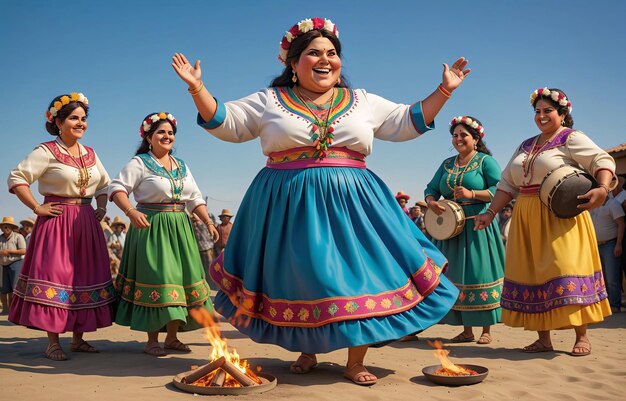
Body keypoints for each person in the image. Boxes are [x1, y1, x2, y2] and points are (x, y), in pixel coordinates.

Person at [172, 17, 469, 385]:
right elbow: (226, 122)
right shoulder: (270, 100)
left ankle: (355, 360)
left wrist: (444, 90)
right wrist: (197, 88)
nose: (325, 59)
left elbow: (405, 122)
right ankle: (308, 350)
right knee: (303, 278)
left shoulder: (361, 101)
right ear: (293, 64)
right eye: (314, 53)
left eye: (332, 53)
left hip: (355, 203)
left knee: (358, 277)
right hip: (287, 203)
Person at [474, 87, 615, 356]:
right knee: (534, 273)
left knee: (567, 267)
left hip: (560, 215)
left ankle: (581, 335)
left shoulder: (571, 138)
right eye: (537, 111)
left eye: (547, 110)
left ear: (562, 113)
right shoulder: (526, 145)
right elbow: (507, 183)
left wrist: (603, 188)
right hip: (526, 216)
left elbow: (601, 160)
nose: (541, 116)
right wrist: (490, 212)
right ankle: (543, 339)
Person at [7, 92, 115, 361]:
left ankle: (78, 339)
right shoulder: (45, 151)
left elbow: (104, 184)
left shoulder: (91, 154)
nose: (80, 123)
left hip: (86, 221)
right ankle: (53, 342)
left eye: (83, 119)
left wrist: (101, 206)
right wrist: (36, 207)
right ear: (58, 122)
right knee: (57, 277)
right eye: (73, 118)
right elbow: (17, 178)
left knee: (83, 276)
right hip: (56, 222)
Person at [108, 111, 219, 357]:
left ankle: (172, 338)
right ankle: (152, 339)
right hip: (152, 227)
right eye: (161, 132)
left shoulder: (181, 166)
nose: (167, 136)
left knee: (178, 281)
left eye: (170, 133)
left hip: (180, 228)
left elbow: (194, 198)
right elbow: (117, 188)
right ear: (149, 137)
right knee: (158, 278)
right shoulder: (139, 163)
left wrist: (207, 221)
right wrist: (130, 212)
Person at [424, 116, 505, 345]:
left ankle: (486, 329)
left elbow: (500, 189)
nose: (458, 139)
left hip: (478, 224)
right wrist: (430, 201)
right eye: (455, 135)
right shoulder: (447, 164)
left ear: (476, 139)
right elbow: (431, 188)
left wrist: (473, 194)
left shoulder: (485, 161)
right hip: (450, 231)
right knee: (456, 277)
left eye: (463, 135)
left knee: (480, 274)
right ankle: (467, 330)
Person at [589, 194, 624, 312]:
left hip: (609, 245)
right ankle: (603, 305)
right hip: (594, 246)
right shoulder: (592, 206)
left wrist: (618, 244)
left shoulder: (613, 204)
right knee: (598, 278)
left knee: (611, 278)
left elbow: (621, 224)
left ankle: (614, 305)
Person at [0, 217, 26, 315]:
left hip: (16, 263)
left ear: (11, 227)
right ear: (1, 228)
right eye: (3, 226)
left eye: (7, 226)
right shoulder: (0, 238)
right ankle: (6, 309)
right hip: (3, 265)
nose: (5, 228)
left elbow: (24, 250)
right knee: (4, 288)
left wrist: (9, 251)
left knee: (15, 288)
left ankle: (15, 310)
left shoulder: (18, 236)